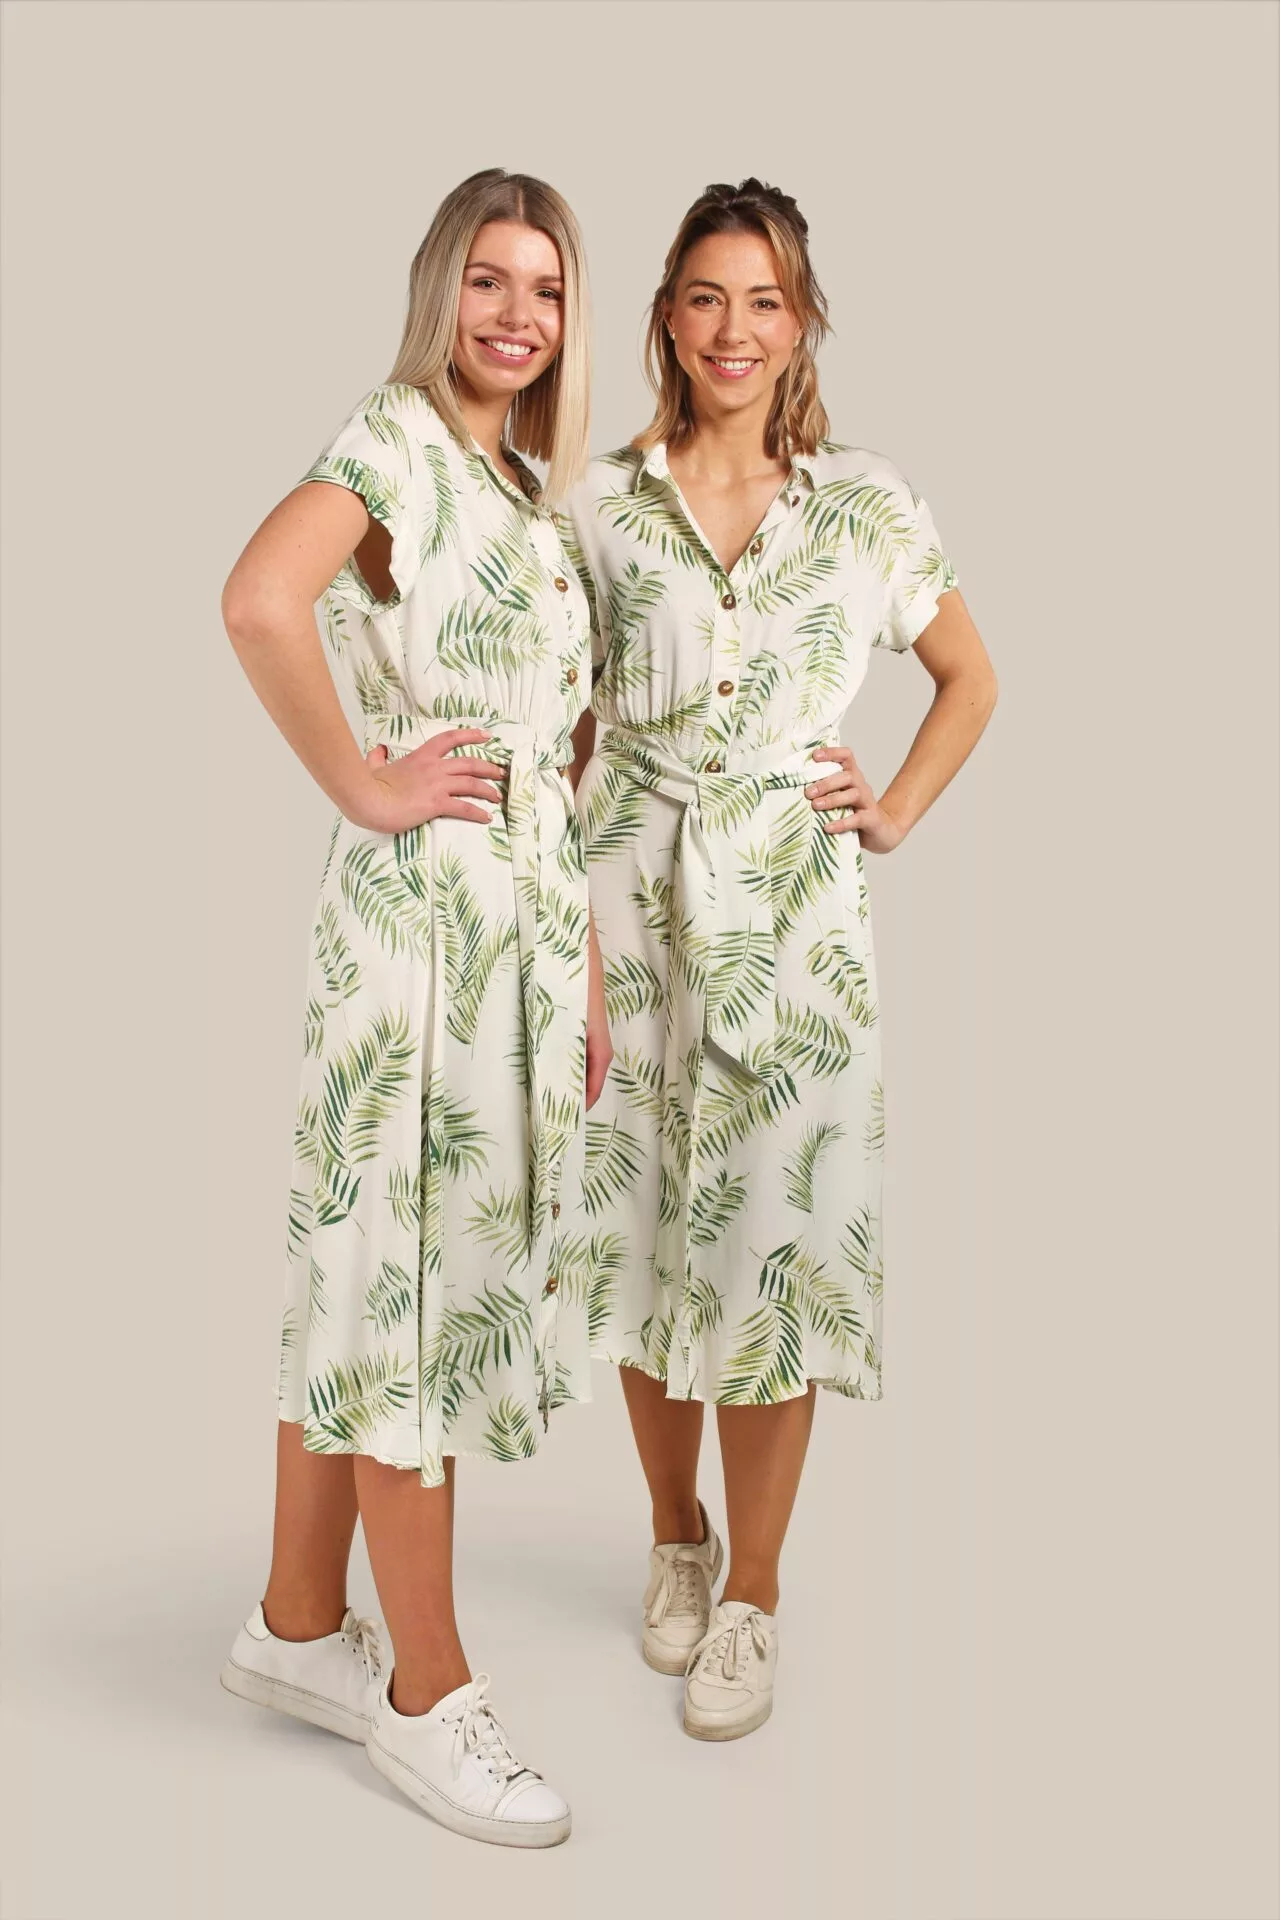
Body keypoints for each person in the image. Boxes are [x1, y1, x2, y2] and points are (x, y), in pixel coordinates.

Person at [564, 177, 997, 1741]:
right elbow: (572, 728)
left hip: (796, 933)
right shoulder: (600, 507)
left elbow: (967, 674)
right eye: (705, 296)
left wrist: (895, 809)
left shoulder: (865, 503)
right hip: (631, 903)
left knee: (771, 1253)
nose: (733, 328)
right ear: (667, 319)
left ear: (801, 320)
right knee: (636, 1235)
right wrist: (565, 923)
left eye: (764, 300)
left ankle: (752, 1594)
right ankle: (674, 1537)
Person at [218, 168, 610, 1847]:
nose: (518, 315)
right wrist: (367, 784)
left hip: (519, 928)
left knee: (370, 1259)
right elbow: (258, 598)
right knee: (412, 1281)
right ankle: (425, 1698)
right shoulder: (394, 440)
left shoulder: (518, 489)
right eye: (489, 281)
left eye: (546, 288)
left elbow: (557, 761)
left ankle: (300, 1622)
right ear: (440, 288)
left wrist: (582, 963)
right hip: (422, 935)